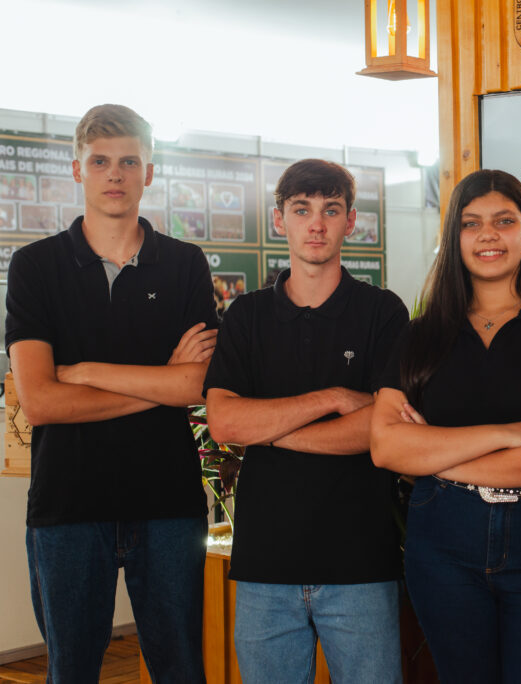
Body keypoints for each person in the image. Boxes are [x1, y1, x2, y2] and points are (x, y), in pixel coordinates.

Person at [5, 104, 217, 682]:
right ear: (78, 171)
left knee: (181, 670)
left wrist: (85, 371)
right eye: (100, 162)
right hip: (68, 508)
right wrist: (159, 385)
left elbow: (195, 386)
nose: (115, 174)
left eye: (129, 161)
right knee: (71, 672)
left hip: (168, 506)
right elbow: (41, 402)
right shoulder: (34, 267)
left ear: (150, 171)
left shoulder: (184, 264)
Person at [370, 169, 521, 683]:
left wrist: (436, 454)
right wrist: (508, 433)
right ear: (455, 238)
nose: (488, 235)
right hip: (442, 540)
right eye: (472, 223)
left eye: (504, 221)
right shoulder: (420, 336)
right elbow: (385, 446)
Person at [204, 159, 408, 683]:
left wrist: (269, 429)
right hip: (265, 568)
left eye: (329, 210)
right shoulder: (246, 316)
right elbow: (225, 423)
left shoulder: (383, 313)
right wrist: (336, 397)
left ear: (350, 221)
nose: (316, 224)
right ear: (279, 220)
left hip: (361, 566)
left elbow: (383, 430)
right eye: (302, 210)